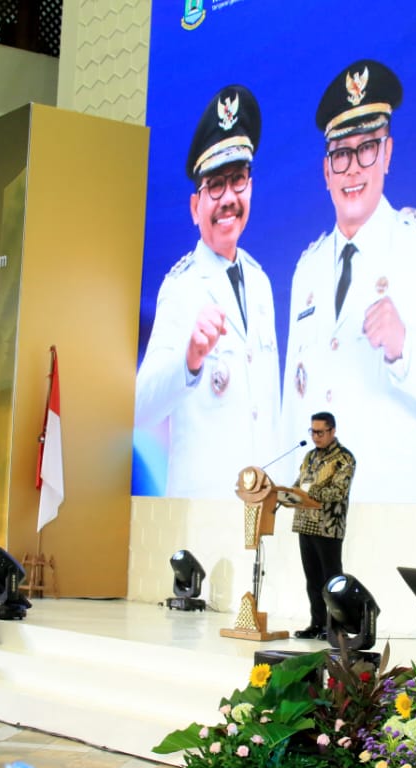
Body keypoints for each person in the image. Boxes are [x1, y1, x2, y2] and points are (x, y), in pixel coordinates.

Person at [279, 59, 416, 505]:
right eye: (341, 154)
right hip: (313, 516)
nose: (353, 169)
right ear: (326, 171)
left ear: (387, 155)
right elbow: (291, 409)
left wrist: (404, 348)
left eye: (367, 148)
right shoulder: (307, 268)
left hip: (387, 515)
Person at [134, 84, 281, 498]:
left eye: (238, 181)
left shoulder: (261, 283)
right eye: (215, 185)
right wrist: (190, 358)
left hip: (262, 511)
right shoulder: (181, 287)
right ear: (195, 206)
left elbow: (269, 413)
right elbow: (140, 409)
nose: (228, 198)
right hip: (205, 512)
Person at [290, 412, 356, 640]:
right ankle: (317, 624)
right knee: (313, 581)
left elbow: (338, 492)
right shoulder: (310, 456)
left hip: (328, 526)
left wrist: (308, 491)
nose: (315, 437)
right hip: (305, 524)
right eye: (313, 432)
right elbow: (299, 484)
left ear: (332, 431)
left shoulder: (344, 458)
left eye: (320, 432)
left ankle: (337, 627)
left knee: (332, 580)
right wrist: (289, 493)